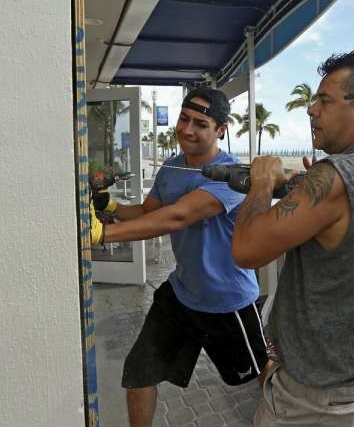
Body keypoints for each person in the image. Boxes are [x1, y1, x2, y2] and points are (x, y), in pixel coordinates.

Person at [230, 50, 354, 426]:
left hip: (315, 391)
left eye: (324, 100)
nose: (312, 110)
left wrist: (263, 183)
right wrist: (305, 185)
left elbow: (246, 250)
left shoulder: (335, 177)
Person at [89, 88, 268, 427]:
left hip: (226, 300)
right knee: (139, 372)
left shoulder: (233, 176)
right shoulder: (172, 167)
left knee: (263, 376)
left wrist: (100, 235)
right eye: (184, 119)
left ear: (221, 130)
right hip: (181, 293)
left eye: (200, 123)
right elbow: (147, 212)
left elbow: (177, 217)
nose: (187, 129)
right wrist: (110, 208)